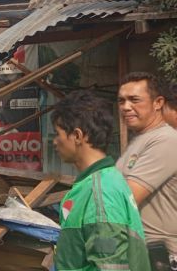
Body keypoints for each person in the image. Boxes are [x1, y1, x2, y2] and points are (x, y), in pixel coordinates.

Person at [52, 90, 149, 270]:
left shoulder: (101, 191)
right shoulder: (96, 183)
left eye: (58, 134)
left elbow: (112, 266)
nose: (55, 141)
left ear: (78, 136)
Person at [116, 72, 177, 270]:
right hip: (141, 255)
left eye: (134, 100)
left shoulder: (167, 140)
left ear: (158, 102)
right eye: (121, 100)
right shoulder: (140, 140)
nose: (126, 107)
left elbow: (126, 198)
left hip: (161, 259)